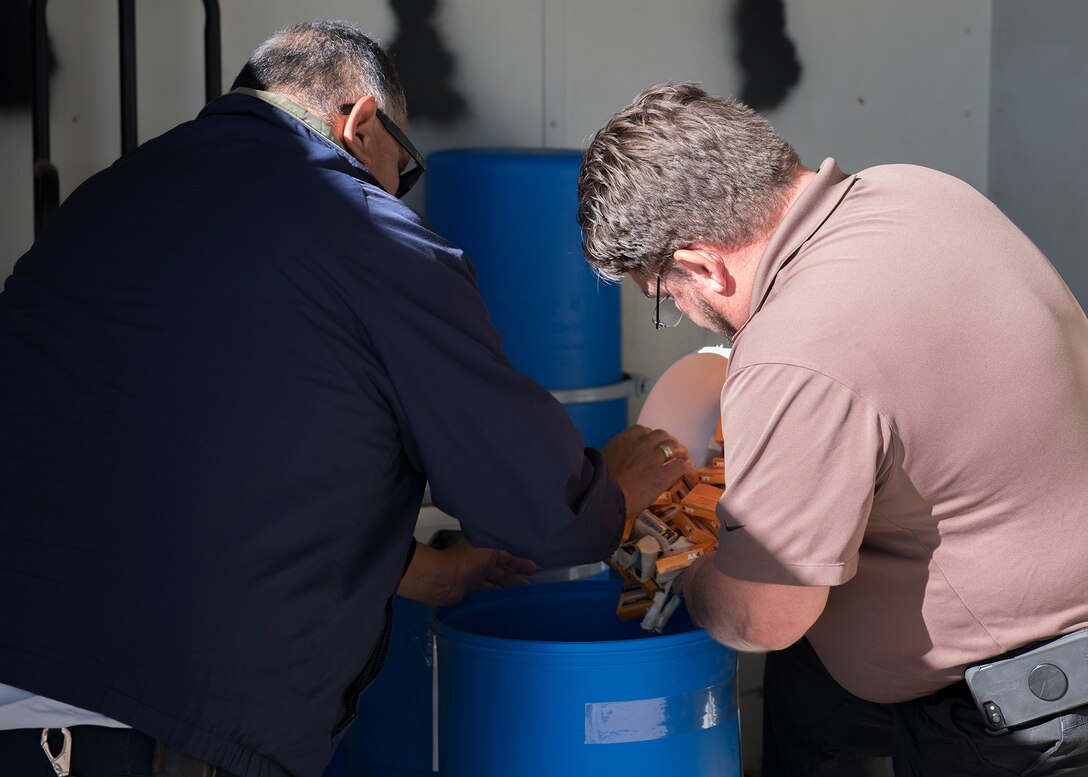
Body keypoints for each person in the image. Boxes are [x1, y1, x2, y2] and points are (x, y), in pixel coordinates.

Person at [0, 22, 695, 777]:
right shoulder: (367, 232)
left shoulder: (103, 202)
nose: (399, 191)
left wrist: (423, 570)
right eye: (403, 169)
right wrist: (615, 489)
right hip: (155, 724)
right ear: (360, 123)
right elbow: (539, 508)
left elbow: (193, 458)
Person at [577, 81, 1088, 776]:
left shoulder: (792, 350)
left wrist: (689, 577)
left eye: (668, 299)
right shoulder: (917, 190)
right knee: (805, 692)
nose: (689, 317)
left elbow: (764, 616)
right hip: (1039, 610)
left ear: (700, 265)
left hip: (1026, 709)